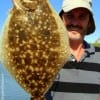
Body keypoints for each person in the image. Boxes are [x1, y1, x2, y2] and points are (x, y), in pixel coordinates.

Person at [45, 0, 100, 100]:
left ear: (89, 22)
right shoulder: (45, 54)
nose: (75, 23)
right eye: (70, 16)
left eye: (82, 16)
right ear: (61, 19)